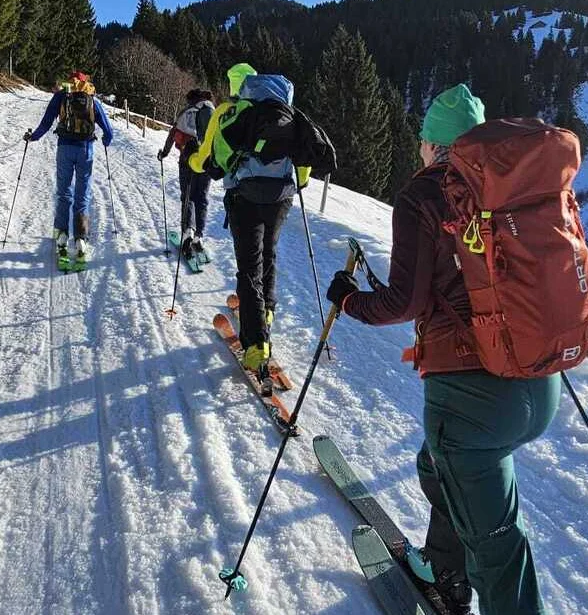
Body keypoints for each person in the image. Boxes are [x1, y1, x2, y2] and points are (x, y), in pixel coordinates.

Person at [325, 85, 560, 615]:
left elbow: (403, 302)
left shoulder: (425, 194)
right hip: (538, 385)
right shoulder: (507, 185)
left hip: (473, 398)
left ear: (432, 143)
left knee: (499, 549)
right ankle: (444, 568)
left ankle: (464, 583)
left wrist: (348, 300)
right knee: (436, 467)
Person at [189, 64, 312, 377]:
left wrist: (193, 160)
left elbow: (209, 163)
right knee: (268, 253)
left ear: (235, 86)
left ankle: (256, 346)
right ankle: (266, 313)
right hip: (281, 198)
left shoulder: (230, 113)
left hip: (245, 197)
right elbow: (305, 171)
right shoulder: (287, 113)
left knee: (249, 265)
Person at [24, 71, 114, 265]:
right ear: (84, 82)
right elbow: (108, 130)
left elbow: (46, 122)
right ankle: (81, 239)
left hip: (65, 148)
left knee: (64, 192)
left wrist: (33, 137)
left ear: (70, 81)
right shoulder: (91, 98)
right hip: (86, 150)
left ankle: (61, 236)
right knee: (83, 194)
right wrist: (106, 140)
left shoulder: (62, 96)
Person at [158, 89, 216, 257]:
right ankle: (199, 237)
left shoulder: (186, 112)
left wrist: (165, 152)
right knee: (202, 198)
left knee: (188, 196)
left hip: (186, 160)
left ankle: (187, 234)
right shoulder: (211, 111)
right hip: (205, 161)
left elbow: (172, 134)